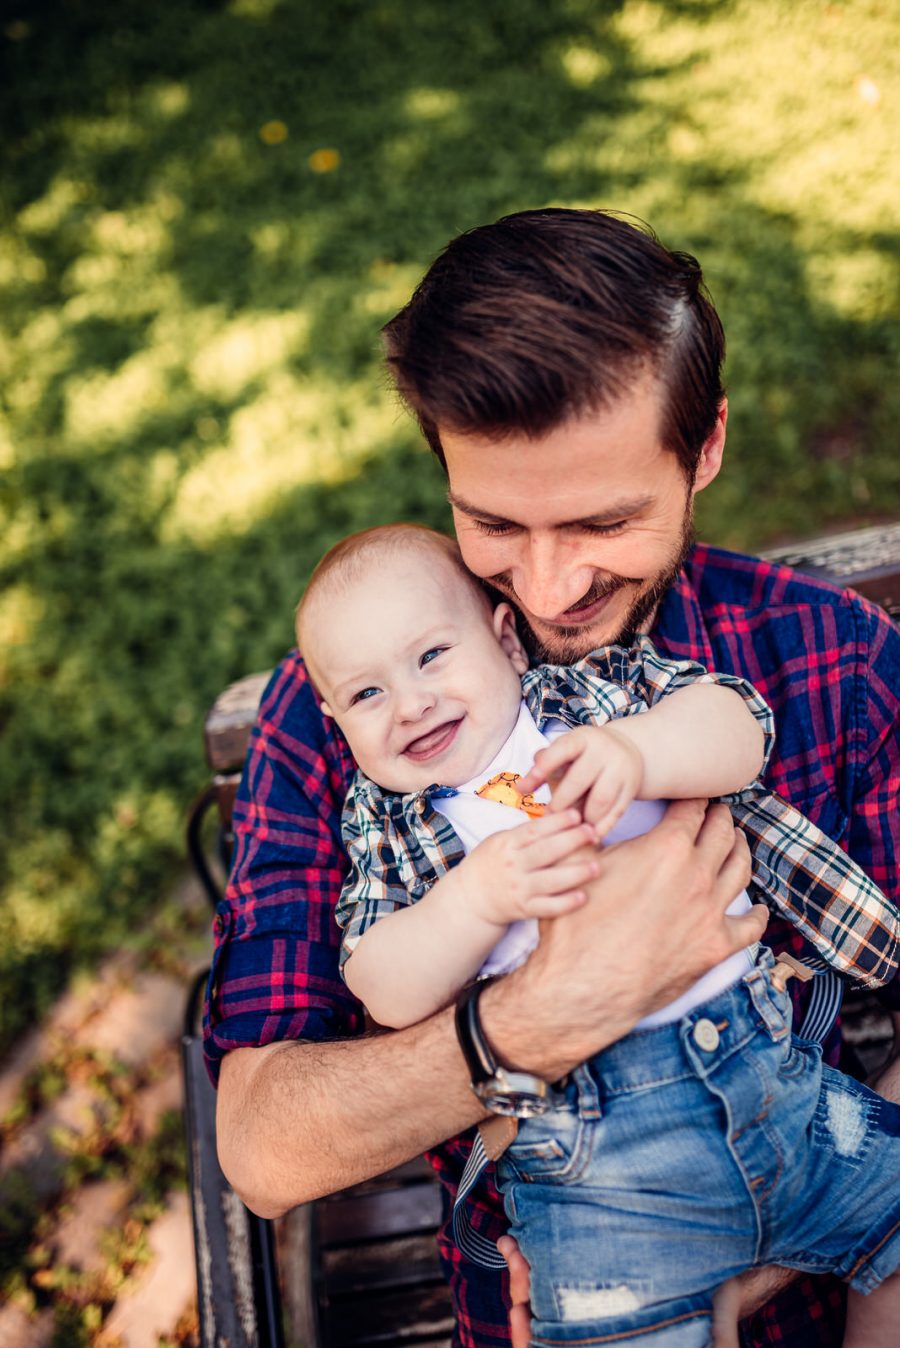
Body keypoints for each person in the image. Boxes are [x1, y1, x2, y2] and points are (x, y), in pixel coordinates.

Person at [205, 208, 900, 1348]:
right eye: (494, 524)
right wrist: (540, 1012)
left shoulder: (825, 658)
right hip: (577, 1263)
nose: (549, 586)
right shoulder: (356, 720)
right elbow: (266, 1150)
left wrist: (751, 1260)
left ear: (707, 447)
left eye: (603, 521)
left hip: (818, 1210)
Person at [293, 521, 900, 1347]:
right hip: (596, 1167)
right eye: (367, 695)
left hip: (775, 1088)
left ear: (506, 642)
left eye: (432, 656)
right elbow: (381, 983)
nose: (411, 703)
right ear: (336, 721)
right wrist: (472, 900)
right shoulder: (386, 827)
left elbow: (738, 727)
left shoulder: (589, 700)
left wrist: (638, 751)